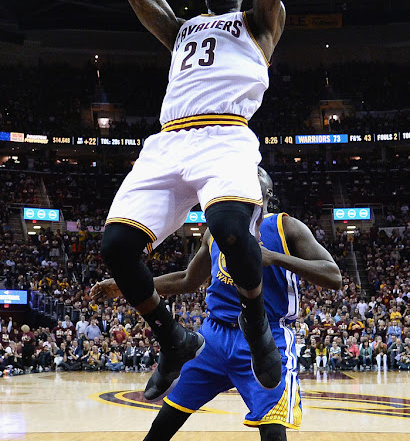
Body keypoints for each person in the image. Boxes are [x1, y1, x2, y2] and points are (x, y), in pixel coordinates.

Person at [100, 0, 286, 400]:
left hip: (226, 135)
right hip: (168, 140)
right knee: (115, 245)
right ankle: (173, 339)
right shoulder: (183, 30)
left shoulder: (259, 22)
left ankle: (255, 320)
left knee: (229, 227)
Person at [92, 168, 341, 440]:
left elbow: (333, 275)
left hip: (266, 335)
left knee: (272, 430)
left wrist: (276, 258)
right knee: (164, 423)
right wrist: (121, 285)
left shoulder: (286, 226)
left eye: (254, 175)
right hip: (213, 335)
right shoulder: (214, 232)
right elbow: (187, 279)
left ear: (267, 192)